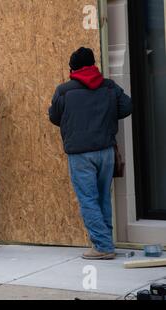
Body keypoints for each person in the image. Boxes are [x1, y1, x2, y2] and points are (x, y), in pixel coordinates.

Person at [49, 47, 132, 260]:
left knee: (88, 199)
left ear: (73, 68)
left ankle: (103, 246)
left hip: (80, 153)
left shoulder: (64, 90)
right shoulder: (108, 85)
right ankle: (105, 242)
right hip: (105, 151)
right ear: (93, 64)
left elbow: (54, 117)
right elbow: (126, 107)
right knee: (103, 196)